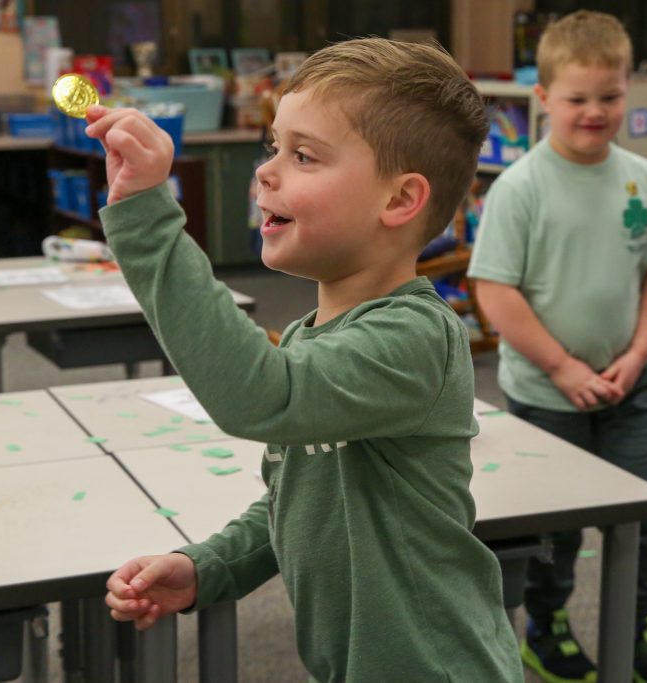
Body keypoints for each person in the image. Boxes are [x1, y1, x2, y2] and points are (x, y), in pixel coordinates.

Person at [86, 37, 524, 682]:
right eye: (273, 148)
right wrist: (213, 565)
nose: (266, 171)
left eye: (304, 155)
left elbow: (259, 397)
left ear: (400, 200)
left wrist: (149, 222)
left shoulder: (415, 337)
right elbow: (298, 500)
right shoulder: (311, 337)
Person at [467, 11, 647, 683]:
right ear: (544, 99)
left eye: (610, 97)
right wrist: (562, 366)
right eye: (578, 98)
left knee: (645, 520)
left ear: (628, 92)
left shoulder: (643, 178)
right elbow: (494, 290)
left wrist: (640, 352)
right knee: (554, 529)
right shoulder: (522, 187)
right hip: (545, 392)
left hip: (629, 386)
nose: (595, 112)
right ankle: (547, 628)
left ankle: (637, 626)